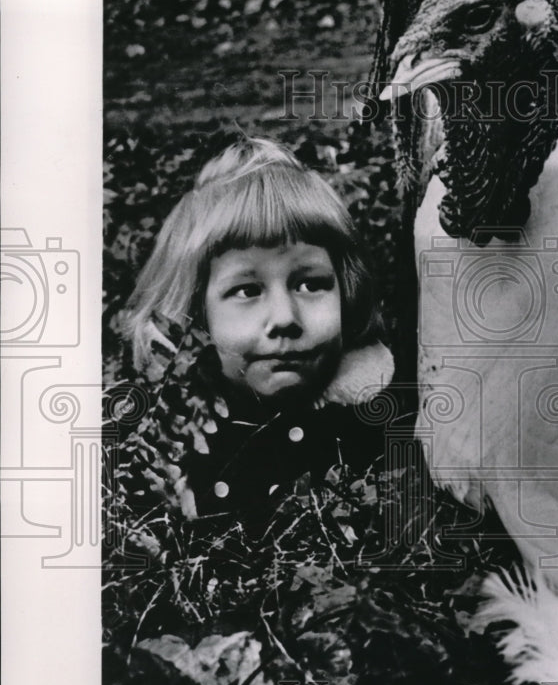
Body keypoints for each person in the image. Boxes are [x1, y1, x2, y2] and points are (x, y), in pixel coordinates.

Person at [120, 136, 395, 531]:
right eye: (247, 291)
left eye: (310, 284)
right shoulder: (169, 438)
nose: (284, 318)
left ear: (346, 290)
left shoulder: (379, 416)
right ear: (195, 313)